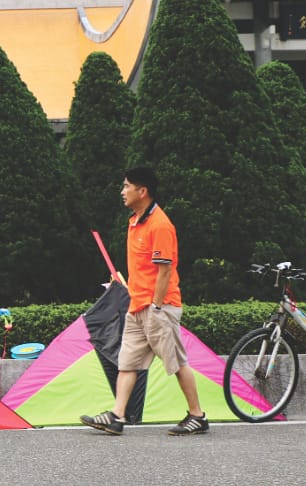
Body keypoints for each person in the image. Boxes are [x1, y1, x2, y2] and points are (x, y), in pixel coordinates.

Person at [80, 167, 209, 436]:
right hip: (137, 305)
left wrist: (157, 307)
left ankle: (197, 416)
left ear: (143, 191)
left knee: (176, 363)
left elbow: (165, 271)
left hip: (158, 307)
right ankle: (117, 416)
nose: (122, 191)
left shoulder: (160, 225)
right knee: (127, 363)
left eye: (127, 186)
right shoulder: (134, 221)